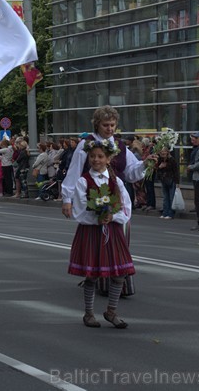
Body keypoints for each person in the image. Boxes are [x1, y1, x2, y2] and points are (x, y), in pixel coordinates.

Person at [68, 139, 134, 329]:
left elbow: (126, 206)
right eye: (92, 156)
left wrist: (112, 216)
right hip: (91, 231)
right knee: (92, 274)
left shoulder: (116, 181)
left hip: (111, 230)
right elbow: (79, 211)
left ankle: (111, 311)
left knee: (119, 273)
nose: (96, 160)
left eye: (100, 156)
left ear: (108, 159)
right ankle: (89, 313)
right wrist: (97, 218)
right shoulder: (83, 181)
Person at [155, 147, 179, 219]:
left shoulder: (172, 160)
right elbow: (157, 170)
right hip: (163, 180)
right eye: (162, 152)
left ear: (167, 152)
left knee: (171, 197)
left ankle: (170, 213)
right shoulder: (160, 160)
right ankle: (165, 212)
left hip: (171, 180)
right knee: (165, 198)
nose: (163, 153)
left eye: (164, 151)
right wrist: (159, 167)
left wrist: (177, 182)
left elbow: (175, 171)